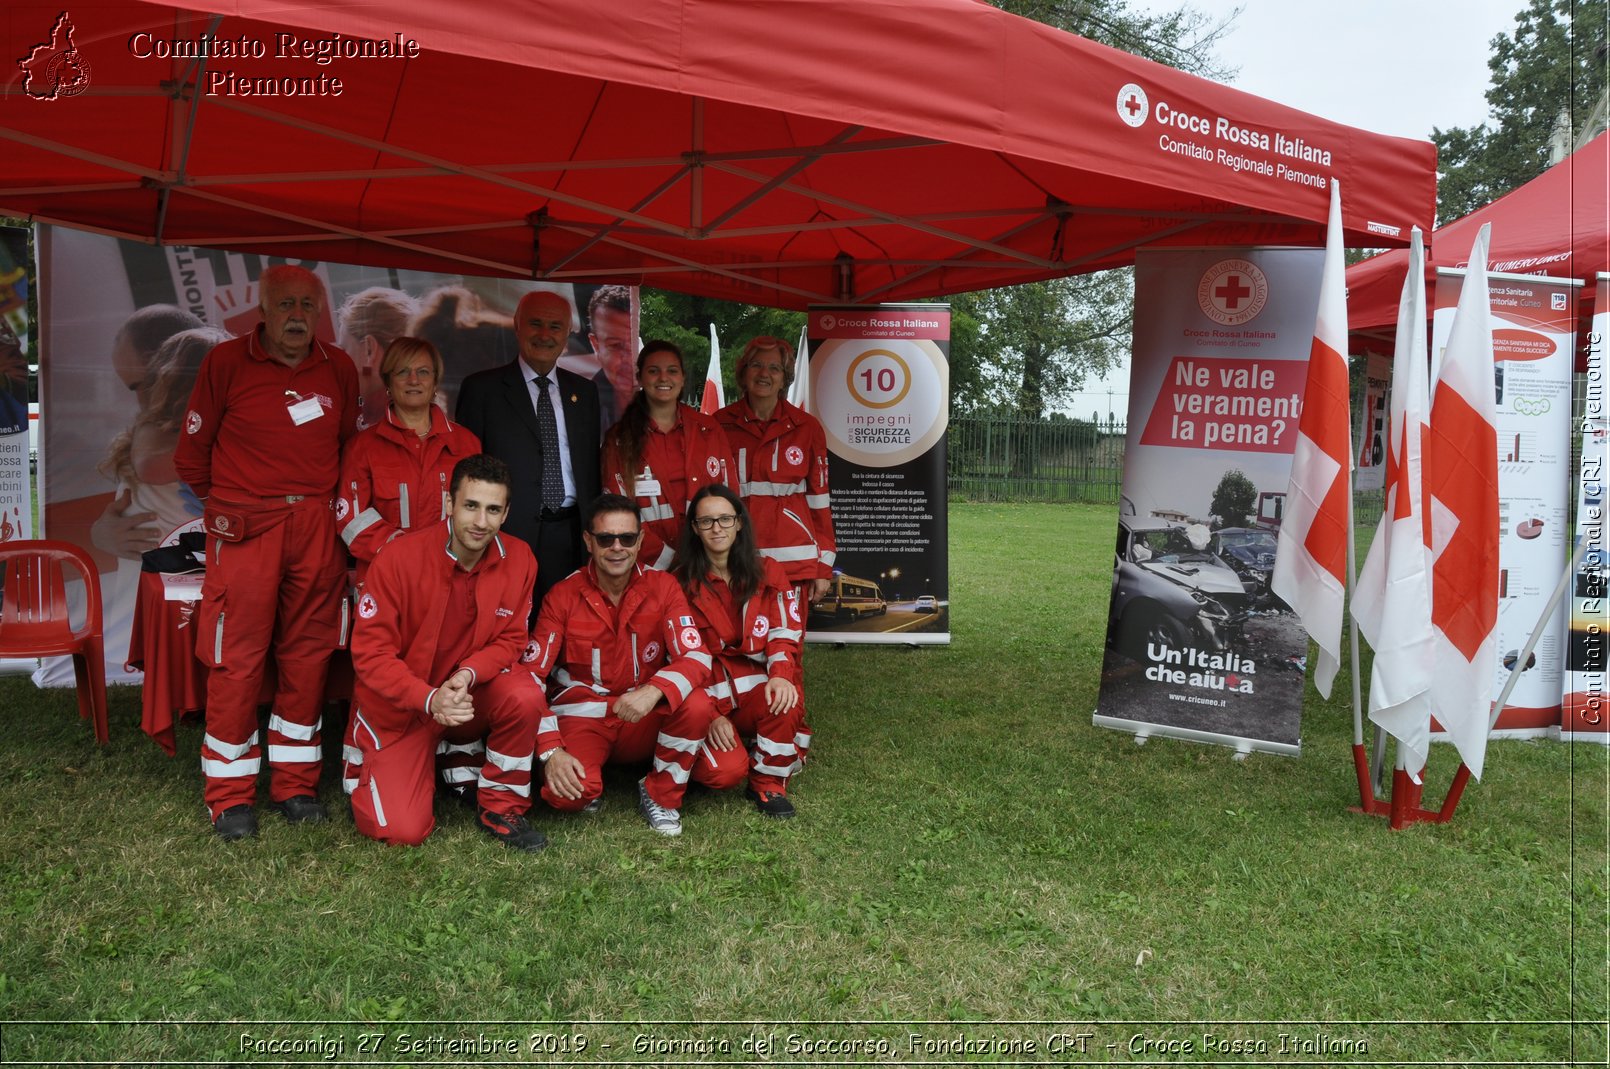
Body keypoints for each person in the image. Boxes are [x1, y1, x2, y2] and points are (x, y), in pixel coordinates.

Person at [173, 264, 359, 841]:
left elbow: (348, 446)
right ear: (263, 312)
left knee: (307, 657)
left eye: (308, 304)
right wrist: (233, 508)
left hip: (316, 529)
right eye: (285, 305)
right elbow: (190, 457)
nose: (297, 316)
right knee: (238, 660)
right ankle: (229, 796)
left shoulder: (340, 368)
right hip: (248, 527)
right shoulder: (224, 363)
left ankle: (295, 784)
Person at [347, 454, 553, 852]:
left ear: (506, 512)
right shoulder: (398, 558)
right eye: (471, 506)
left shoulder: (521, 558)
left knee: (524, 693)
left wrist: (468, 674)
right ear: (449, 504)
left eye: (493, 509)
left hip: (464, 698)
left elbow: (511, 639)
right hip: (405, 707)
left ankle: (501, 806)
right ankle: (373, 756)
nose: (480, 522)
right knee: (402, 831)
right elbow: (371, 656)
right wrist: (428, 698)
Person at [526, 493, 716, 837]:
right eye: (605, 538)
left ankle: (660, 793)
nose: (617, 547)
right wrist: (549, 749)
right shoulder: (562, 595)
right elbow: (529, 678)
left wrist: (654, 689)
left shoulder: (664, 586)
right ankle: (589, 775)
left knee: (703, 717)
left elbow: (697, 656)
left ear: (640, 540)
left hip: (641, 714)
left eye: (627, 538)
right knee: (567, 796)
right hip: (585, 716)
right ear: (588, 541)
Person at [456, 289, 601, 612]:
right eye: (536, 324)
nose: (545, 335)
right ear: (517, 326)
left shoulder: (585, 393)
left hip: (573, 535)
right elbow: (467, 469)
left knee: (571, 626)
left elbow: (590, 466)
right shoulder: (482, 390)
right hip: (507, 534)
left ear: (567, 333)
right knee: (510, 626)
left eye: (555, 326)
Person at [674, 485, 810, 819]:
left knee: (785, 696)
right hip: (709, 696)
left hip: (753, 692)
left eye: (724, 519)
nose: (716, 528)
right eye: (706, 521)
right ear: (694, 528)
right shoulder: (677, 582)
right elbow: (677, 656)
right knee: (722, 774)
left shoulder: (769, 570)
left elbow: (783, 633)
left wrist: (780, 677)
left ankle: (767, 783)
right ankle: (713, 756)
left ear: (739, 523)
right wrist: (710, 715)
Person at [338, 337, 481, 583]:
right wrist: (407, 552)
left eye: (423, 372)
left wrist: (443, 553)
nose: (413, 380)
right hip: (386, 578)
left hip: (451, 577)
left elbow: (478, 512)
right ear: (388, 383)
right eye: (402, 371)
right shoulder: (362, 447)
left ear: (435, 381)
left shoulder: (466, 444)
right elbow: (352, 519)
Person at [717, 336, 837, 606]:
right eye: (756, 365)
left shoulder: (807, 428)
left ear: (785, 379)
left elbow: (820, 502)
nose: (764, 374)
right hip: (734, 560)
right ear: (743, 372)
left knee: (787, 644)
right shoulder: (719, 426)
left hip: (794, 564)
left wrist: (822, 567)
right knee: (734, 644)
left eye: (774, 368)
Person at [600, 340, 736, 570]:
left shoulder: (709, 429)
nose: (664, 378)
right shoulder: (619, 439)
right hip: (647, 567)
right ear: (640, 378)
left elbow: (730, 498)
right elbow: (617, 511)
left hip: (708, 564)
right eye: (654, 371)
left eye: (672, 371)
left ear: (682, 378)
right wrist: (670, 561)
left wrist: (708, 555)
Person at [91, 305, 205, 562]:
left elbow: (150, 466)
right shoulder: (153, 432)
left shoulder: (237, 427)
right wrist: (100, 533)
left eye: (139, 385)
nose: (141, 400)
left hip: (206, 594)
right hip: (152, 595)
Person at [336, 287, 418, 430]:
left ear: (369, 350)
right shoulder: (433, 409)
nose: (336, 364)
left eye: (344, 351)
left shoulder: (368, 427)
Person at [587, 284, 635, 424]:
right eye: (616, 345)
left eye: (634, 343)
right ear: (596, 346)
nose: (629, 357)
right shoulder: (579, 407)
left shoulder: (662, 401)